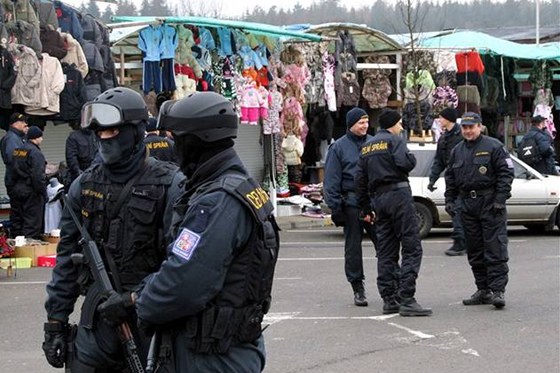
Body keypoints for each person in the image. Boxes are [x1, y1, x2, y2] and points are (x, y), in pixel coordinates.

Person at [133, 92, 280, 372]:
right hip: (225, 349)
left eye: (176, 138)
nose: (171, 145)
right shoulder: (236, 185)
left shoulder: (217, 200)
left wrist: (140, 301)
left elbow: (184, 282)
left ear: (196, 141)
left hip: (211, 356)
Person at [43, 87, 183, 372]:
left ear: (134, 131)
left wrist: (135, 298)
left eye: (111, 132)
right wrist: (55, 323)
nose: (102, 139)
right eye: (98, 133)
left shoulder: (170, 184)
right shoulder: (84, 185)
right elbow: (67, 261)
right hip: (98, 319)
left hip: (149, 318)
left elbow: (180, 264)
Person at [356, 108, 432, 317]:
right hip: (398, 196)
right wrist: (411, 159)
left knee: (386, 250)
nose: (401, 127)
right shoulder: (395, 140)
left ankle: (389, 298)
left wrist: (365, 208)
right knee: (411, 247)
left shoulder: (367, 146)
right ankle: (407, 297)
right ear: (392, 124)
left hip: (378, 200)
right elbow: (405, 163)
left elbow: (360, 180)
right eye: (399, 123)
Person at [444, 112, 514, 309]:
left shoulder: (494, 146)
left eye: (471, 127)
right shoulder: (457, 150)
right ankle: (483, 289)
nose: (467, 131)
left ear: (480, 126)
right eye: (464, 128)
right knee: (474, 249)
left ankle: (498, 290)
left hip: (490, 203)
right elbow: (450, 178)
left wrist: (500, 199)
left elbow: (506, 173)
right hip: (467, 205)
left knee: (495, 248)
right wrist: (450, 200)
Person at [324, 107, 377, 307]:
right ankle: (358, 287)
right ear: (350, 124)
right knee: (353, 249)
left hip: (374, 203)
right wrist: (336, 209)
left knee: (386, 245)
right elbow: (331, 181)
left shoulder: (375, 143)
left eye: (366, 122)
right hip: (352, 204)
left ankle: (391, 283)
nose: (364, 126)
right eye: (360, 122)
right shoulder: (338, 148)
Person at [427, 107, 466, 256]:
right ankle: (464, 242)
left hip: (464, 179)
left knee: (458, 211)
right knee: (454, 210)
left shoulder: (462, 135)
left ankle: (460, 243)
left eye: (441, 117)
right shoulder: (444, 138)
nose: (439, 120)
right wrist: (432, 179)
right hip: (452, 180)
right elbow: (439, 161)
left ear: (448, 119)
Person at [11, 126, 46, 239]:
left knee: (18, 223)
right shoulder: (36, 153)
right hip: (31, 192)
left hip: (17, 190)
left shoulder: (18, 150)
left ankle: (16, 249)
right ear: (36, 138)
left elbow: (12, 170)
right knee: (32, 224)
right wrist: (43, 193)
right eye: (41, 137)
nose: (42, 139)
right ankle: (28, 250)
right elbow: (38, 176)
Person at [0, 113, 29, 237]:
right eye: (22, 122)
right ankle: (18, 241)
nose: (25, 125)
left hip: (16, 181)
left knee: (20, 214)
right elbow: (16, 160)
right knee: (19, 214)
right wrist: (26, 175)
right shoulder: (12, 138)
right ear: (14, 124)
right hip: (17, 182)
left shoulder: (16, 138)